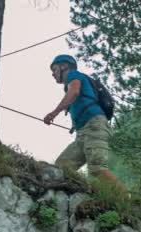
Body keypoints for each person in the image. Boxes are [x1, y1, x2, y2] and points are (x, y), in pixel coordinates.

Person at [44, 54, 124, 189]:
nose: (53, 74)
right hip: (83, 133)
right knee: (62, 166)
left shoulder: (73, 75)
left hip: (94, 127)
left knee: (97, 168)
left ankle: (127, 200)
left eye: (55, 69)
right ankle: (72, 191)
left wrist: (54, 113)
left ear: (64, 66)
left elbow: (74, 91)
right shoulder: (73, 80)